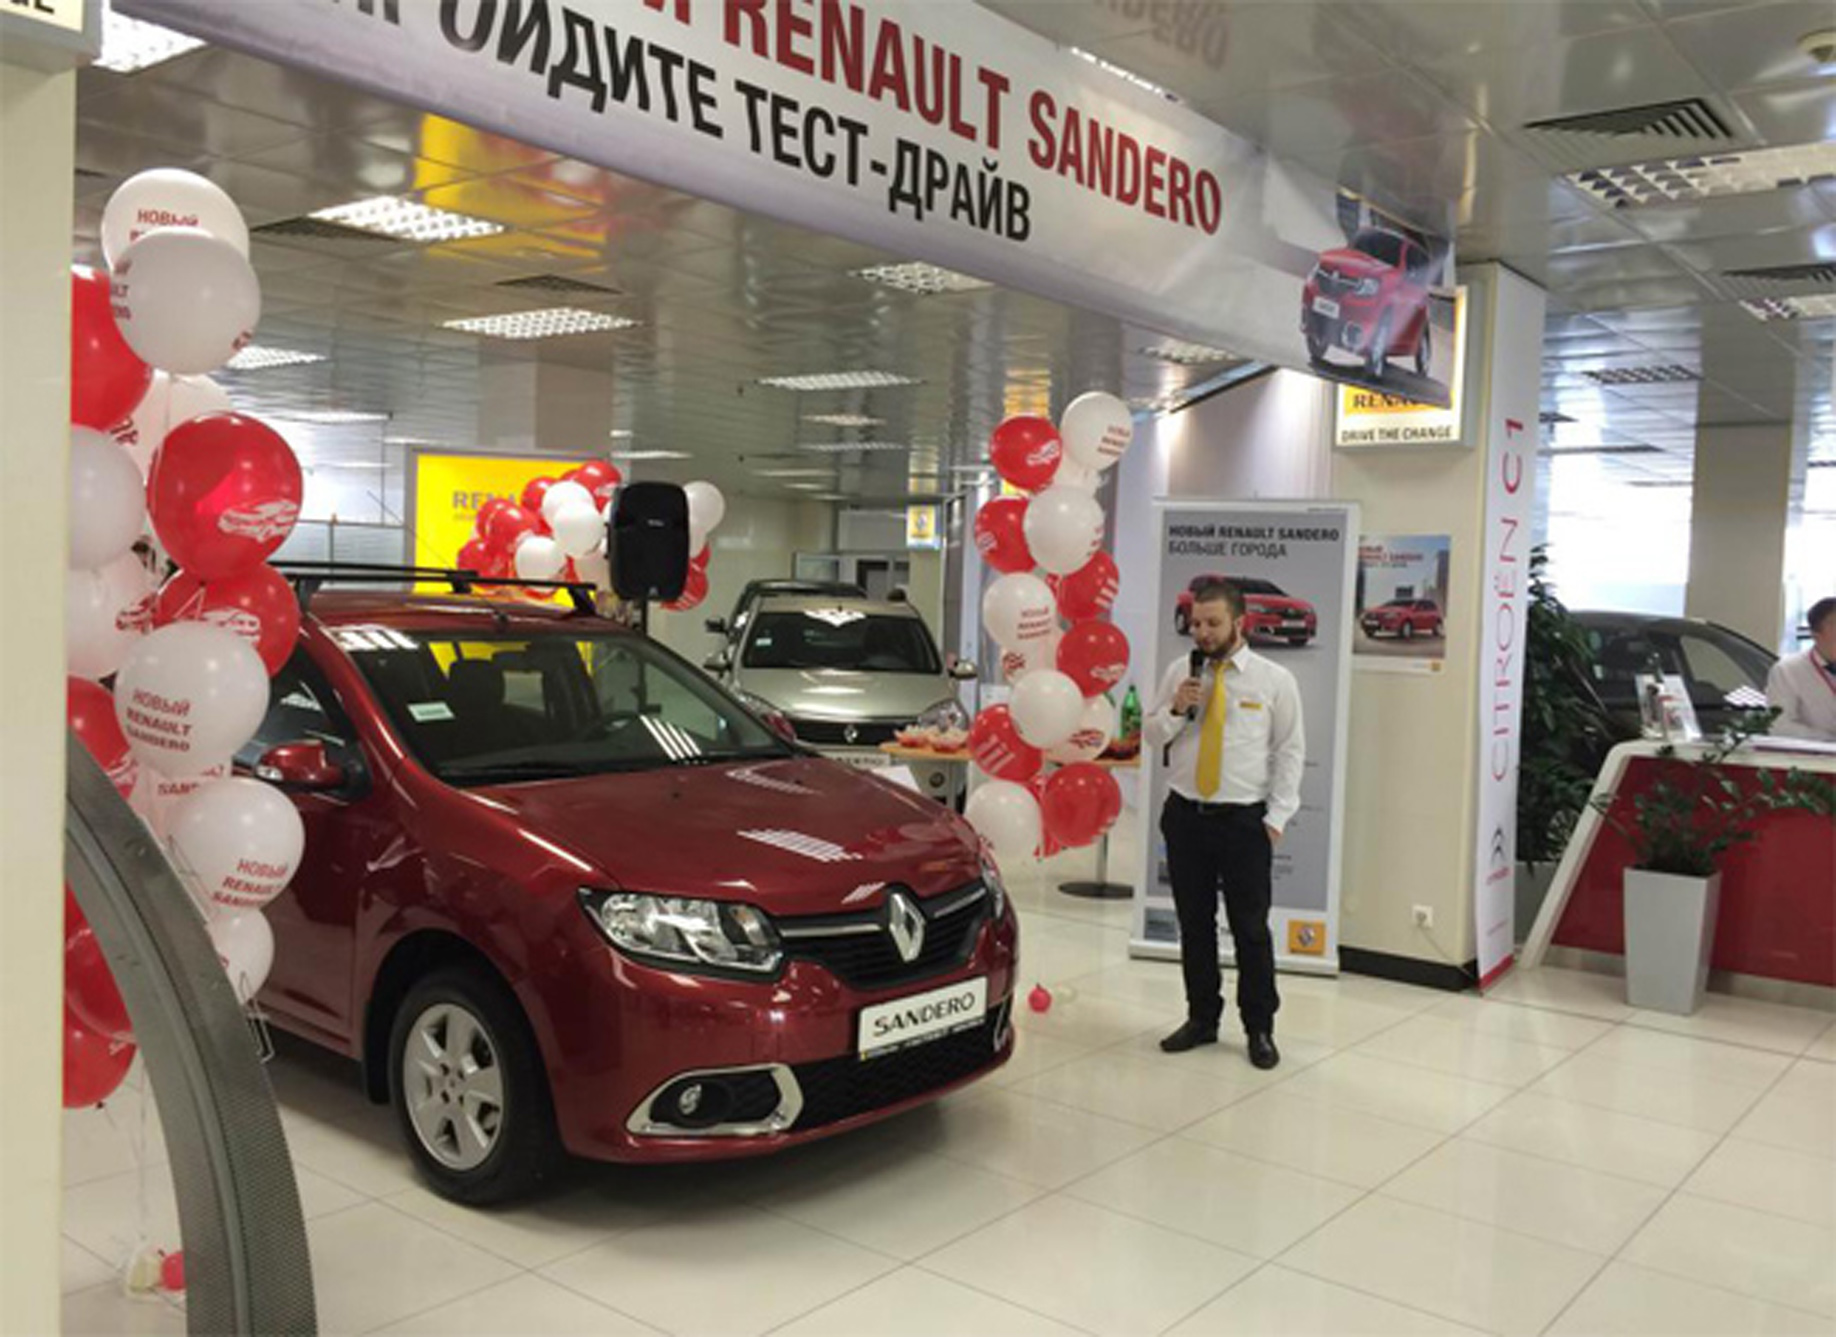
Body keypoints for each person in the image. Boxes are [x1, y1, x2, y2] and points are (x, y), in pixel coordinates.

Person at [1145, 579, 1304, 1069]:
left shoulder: (1274, 680)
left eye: (1213, 623)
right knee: (1194, 926)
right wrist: (1176, 708)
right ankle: (1202, 1018)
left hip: (1243, 823)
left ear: (1240, 622)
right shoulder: (1179, 671)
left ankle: (1259, 1027)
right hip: (1185, 817)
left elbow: (1290, 751)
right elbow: (1151, 733)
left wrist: (1276, 818)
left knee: (1250, 928)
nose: (1202, 632)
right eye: (1197, 623)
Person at [1766, 597, 1836, 743]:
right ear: (1815, 633)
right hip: (1813, 754)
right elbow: (1779, 726)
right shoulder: (1788, 670)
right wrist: (1828, 739)